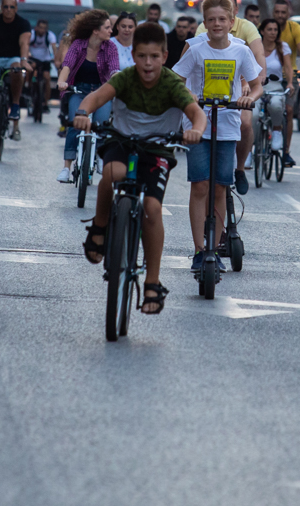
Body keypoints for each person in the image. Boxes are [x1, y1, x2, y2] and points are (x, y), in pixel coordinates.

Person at [73, 21, 207, 316]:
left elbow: (196, 113)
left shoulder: (172, 84)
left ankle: (152, 282)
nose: (148, 63)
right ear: (133, 55)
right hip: (122, 142)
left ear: (164, 56)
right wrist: (83, 112)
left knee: (152, 208)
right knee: (112, 174)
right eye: (142, 56)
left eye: (154, 57)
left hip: (156, 151)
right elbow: (95, 98)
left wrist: (196, 130)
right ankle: (100, 227)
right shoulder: (125, 78)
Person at [173, 0, 262, 272]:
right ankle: (199, 251)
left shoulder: (241, 50)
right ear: (204, 23)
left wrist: (249, 98)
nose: (217, 24)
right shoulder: (196, 49)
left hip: (227, 125)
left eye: (222, 19)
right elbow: (177, 79)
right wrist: (188, 93)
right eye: (211, 19)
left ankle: (214, 247)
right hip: (198, 125)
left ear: (231, 21)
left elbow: (257, 85)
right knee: (200, 185)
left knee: (220, 188)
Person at [56, 10, 119, 181]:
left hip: (101, 92)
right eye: (107, 27)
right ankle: (66, 168)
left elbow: (114, 69)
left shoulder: (111, 47)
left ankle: (99, 156)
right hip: (79, 91)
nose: (111, 31)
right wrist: (62, 82)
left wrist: (116, 80)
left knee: (102, 125)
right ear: (95, 30)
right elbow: (67, 65)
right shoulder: (78, 45)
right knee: (75, 124)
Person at [0, 0, 33, 141]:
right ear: (1, 8)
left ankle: (15, 104)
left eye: (12, 7)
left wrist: (24, 60)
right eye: (6, 7)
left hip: (13, 58)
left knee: (17, 68)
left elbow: (24, 43)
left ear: (16, 8)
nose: (8, 10)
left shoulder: (23, 23)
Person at [254, 17, 294, 175]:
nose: (273, 33)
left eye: (275, 30)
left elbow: (288, 68)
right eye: (269, 29)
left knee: (277, 105)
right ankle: (248, 150)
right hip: (256, 86)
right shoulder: (254, 46)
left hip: (275, 86)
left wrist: (289, 83)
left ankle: (277, 131)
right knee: (252, 115)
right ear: (262, 31)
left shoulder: (282, 47)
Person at [272, 0, 300, 167]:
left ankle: (285, 151)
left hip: (288, 76)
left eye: (283, 12)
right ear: (273, 13)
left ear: (288, 13)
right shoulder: (266, 27)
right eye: (277, 12)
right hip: (268, 77)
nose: (280, 15)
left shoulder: (295, 28)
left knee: (289, 109)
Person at [28, 17, 57, 122]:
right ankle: (29, 86)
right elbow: (26, 45)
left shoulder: (50, 35)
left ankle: (45, 101)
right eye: (40, 28)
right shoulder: (32, 35)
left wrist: (55, 58)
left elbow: (54, 47)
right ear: (36, 27)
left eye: (44, 28)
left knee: (47, 78)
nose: (42, 30)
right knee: (30, 70)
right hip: (33, 58)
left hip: (45, 60)